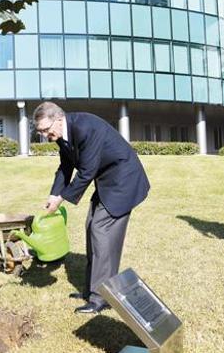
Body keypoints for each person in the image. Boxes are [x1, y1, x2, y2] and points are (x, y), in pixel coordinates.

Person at [33, 102, 149, 314]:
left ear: (58, 119)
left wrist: (61, 198)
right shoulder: (62, 134)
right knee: (91, 228)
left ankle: (101, 298)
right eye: (39, 131)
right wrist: (54, 192)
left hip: (123, 180)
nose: (43, 135)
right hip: (106, 181)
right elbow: (66, 166)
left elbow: (86, 172)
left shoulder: (85, 127)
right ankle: (90, 290)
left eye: (45, 129)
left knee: (101, 232)